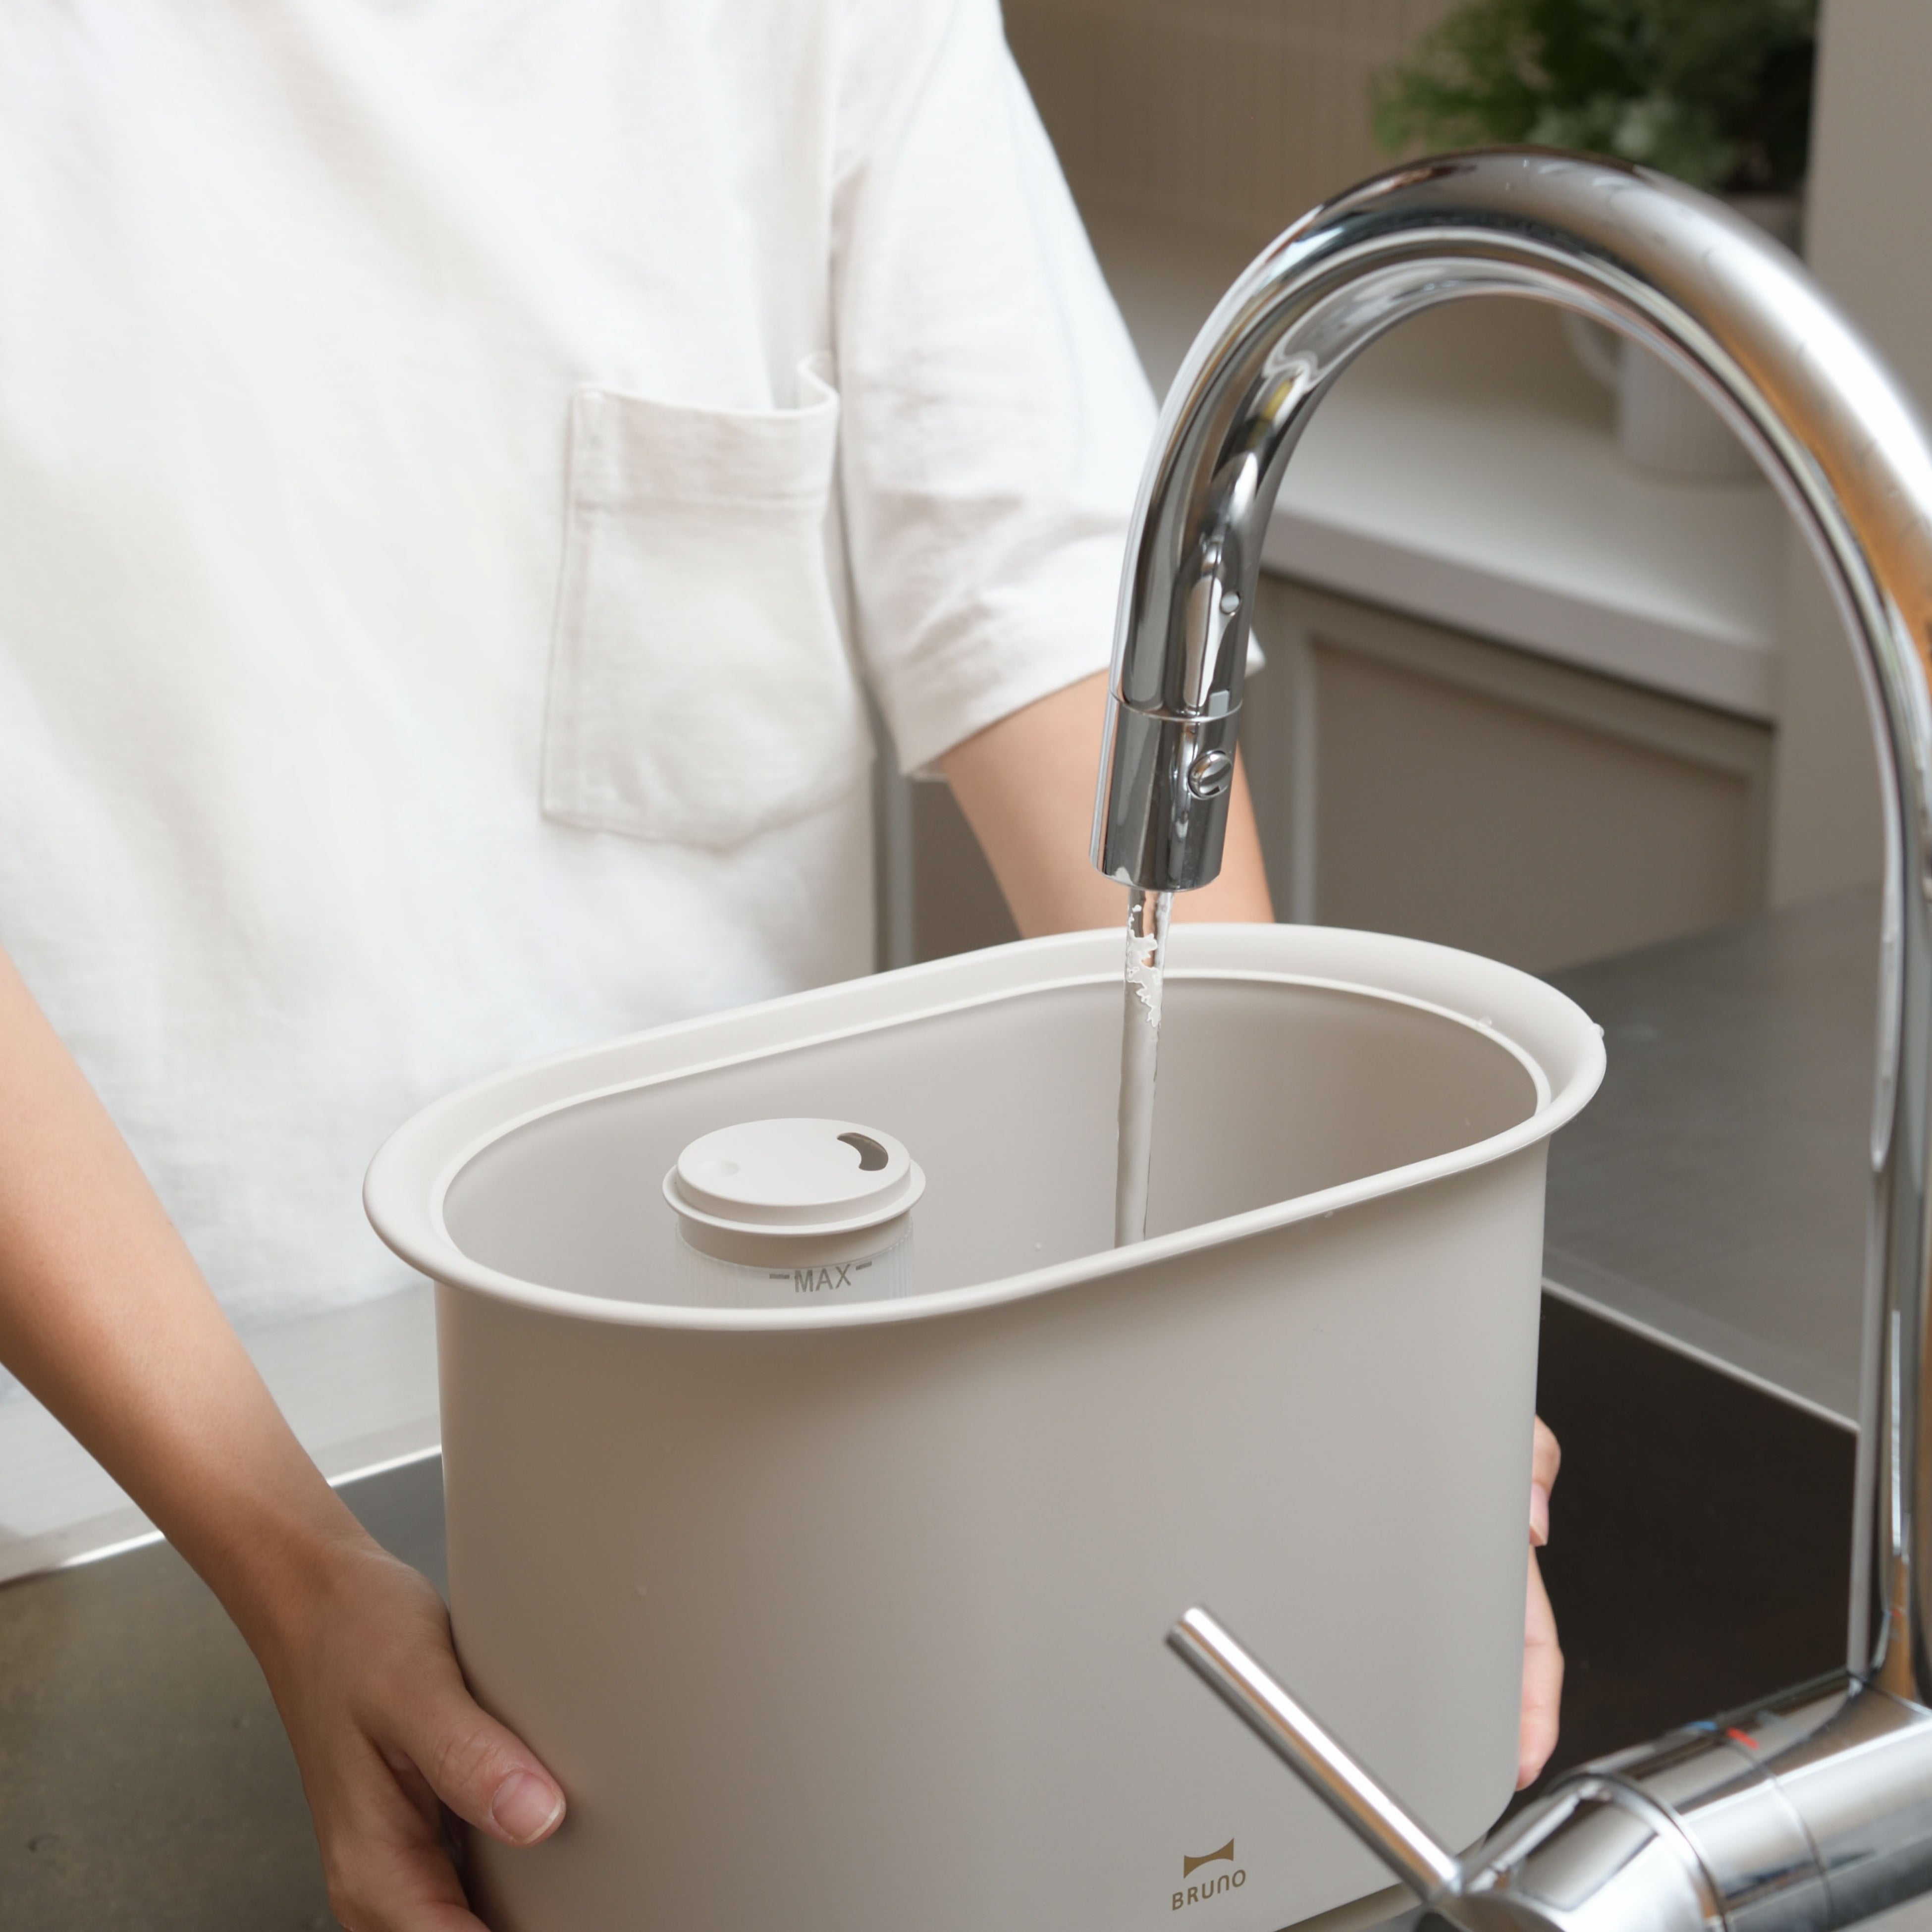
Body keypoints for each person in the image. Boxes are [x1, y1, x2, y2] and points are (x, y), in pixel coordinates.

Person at [0, 4, 1558, 1928]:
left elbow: (1054, 618)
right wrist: (296, 1576)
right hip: (92, 1491)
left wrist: (1304, 1356)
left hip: (770, 1455)